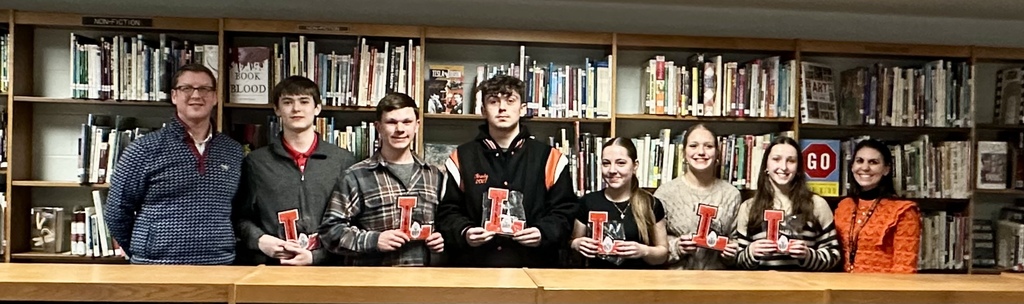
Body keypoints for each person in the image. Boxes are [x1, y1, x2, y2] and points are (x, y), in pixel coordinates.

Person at [105, 64, 244, 264]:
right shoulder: (142, 150)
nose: (196, 95)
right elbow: (116, 212)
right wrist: (142, 248)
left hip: (218, 264)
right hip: (155, 266)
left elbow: (238, 210)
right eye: (186, 88)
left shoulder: (232, 151)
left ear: (215, 97)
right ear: (174, 96)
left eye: (204, 89)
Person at [436, 74, 578, 268]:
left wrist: (543, 233)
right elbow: (447, 212)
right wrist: (465, 232)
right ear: (483, 110)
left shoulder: (551, 158)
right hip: (474, 268)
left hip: (536, 268)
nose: (502, 108)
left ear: (522, 109)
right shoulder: (461, 157)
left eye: (510, 101)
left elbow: (565, 212)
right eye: (493, 101)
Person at [233, 76, 357, 266]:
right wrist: (260, 240)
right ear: (277, 109)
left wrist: (317, 256)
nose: (296, 109)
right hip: (272, 269)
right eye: (288, 102)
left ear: (317, 108)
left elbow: (355, 222)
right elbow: (240, 219)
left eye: (304, 101)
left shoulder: (343, 161)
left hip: (330, 269)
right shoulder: (256, 163)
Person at [319, 92, 445, 266]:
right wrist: (373, 240)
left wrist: (441, 239)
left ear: (417, 126)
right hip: (374, 283)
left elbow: (446, 224)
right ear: (378, 127)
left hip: (423, 282)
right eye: (391, 122)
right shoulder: (355, 176)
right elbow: (330, 232)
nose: (400, 129)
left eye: (407, 122)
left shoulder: (434, 175)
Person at [733, 136, 841, 271]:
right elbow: (737, 261)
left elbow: (834, 256)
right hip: (761, 288)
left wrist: (807, 255)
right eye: (776, 159)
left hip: (805, 288)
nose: (783, 167)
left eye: (791, 161)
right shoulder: (749, 207)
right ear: (766, 165)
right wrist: (751, 252)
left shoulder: (817, 204)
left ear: (798, 168)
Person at [570, 137, 668, 269]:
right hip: (596, 281)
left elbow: (663, 255)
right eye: (606, 163)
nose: (612, 170)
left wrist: (644, 251)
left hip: (640, 282)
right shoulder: (588, 202)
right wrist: (576, 244)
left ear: (635, 166)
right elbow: (572, 245)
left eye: (620, 163)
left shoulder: (651, 204)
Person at [654, 124, 742, 270]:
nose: (701, 152)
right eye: (693, 146)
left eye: (708, 146)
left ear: (717, 153)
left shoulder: (731, 194)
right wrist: (677, 247)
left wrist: (731, 253)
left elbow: (736, 243)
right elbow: (653, 247)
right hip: (676, 283)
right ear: (683, 152)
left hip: (718, 283)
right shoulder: (665, 193)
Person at [834, 139, 920, 273]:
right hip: (842, 287)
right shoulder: (844, 206)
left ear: (886, 169)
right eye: (859, 161)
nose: (865, 167)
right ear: (852, 167)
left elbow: (904, 269)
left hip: (882, 289)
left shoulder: (903, 211)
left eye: (873, 162)